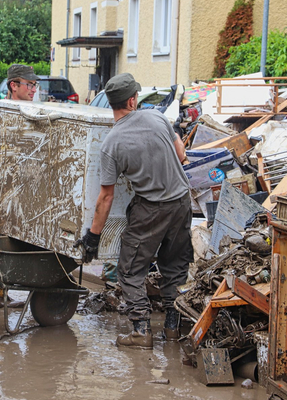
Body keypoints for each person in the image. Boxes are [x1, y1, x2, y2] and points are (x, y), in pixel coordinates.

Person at [75, 73, 193, 350]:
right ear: (132, 100)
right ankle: (172, 329)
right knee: (175, 267)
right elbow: (180, 153)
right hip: (181, 202)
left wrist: (93, 237)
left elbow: (106, 197)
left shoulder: (111, 143)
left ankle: (141, 331)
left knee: (129, 270)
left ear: (111, 103)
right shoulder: (158, 117)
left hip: (151, 209)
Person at [0, 64, 39, 308]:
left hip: (30, 190)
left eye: (35, 85)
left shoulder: (37, 112)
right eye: (29, 85)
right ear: (14, 85)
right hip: (2, 191)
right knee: (1, 241)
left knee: (30, 242)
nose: (33, 89)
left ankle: (31, 292)